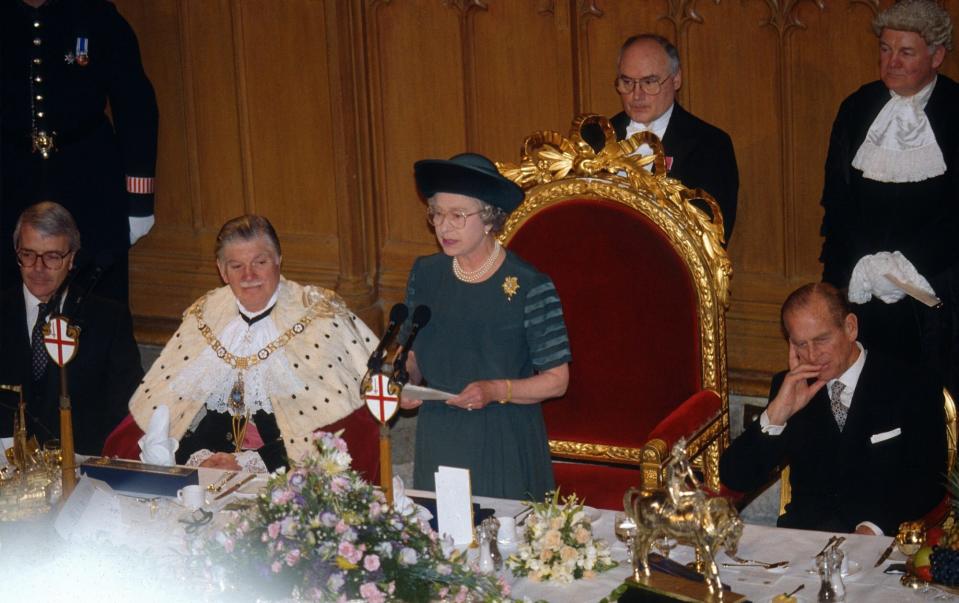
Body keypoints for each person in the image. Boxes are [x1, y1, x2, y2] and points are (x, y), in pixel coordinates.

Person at [125, 215, 379, 473]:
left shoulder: (320, 315)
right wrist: (200, 456)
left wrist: (250, 463)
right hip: (212, 460)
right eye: (236, 266)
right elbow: (171, 409)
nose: (249, 275)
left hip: (286, 470)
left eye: (260, 262)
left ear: (279, 259)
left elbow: (336, 424)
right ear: (222, 271)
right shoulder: (205, 315)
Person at [400, 152, 572, 501]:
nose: (444, 227)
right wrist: (405, 382)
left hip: (502, 434)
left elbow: (557, 381)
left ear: (490, 218)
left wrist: (495, 390)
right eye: (437, 214)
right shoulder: (426, 273)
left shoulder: (529, 285)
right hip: (439, 431)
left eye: (458, 215)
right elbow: (413, 354)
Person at [719, 283, 946, 535]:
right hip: (806, 546)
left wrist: (874, 527)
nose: (813, 355)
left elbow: (929, 481)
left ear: (850, 327)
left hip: (882, 541)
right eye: (801, 344)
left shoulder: (910, 383)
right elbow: (735, 477)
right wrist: (777, 414)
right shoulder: (790, 388)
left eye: (821, 340)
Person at [819, 0, 959, 396]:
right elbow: (838, 198)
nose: (892, 61)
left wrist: (905, 266)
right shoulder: (857, 107)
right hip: (861, 280)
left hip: (935, 288)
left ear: (937, 56)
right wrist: (863, 268)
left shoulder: (955, 111)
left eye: (906, 52)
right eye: (885, 49)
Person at [1, 0, 158, 303]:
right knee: (10, 294)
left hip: (88, 177)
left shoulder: (97, 15)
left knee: (97, 290)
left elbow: (136, 106)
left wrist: (140, 203)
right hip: (11, 177)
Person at [0, 202, 142, 455]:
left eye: (53, 257)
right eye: (28, 254)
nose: (39, 268)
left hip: (83, 471)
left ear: (72, 258)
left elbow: (126, 408)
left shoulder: (108, 319)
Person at [582, 34, 739, 244]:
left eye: (649, 82)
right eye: (627, 82)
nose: (637, 95)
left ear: (676, 80)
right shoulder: (593, 137)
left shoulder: (710, 145)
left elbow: (712, 234)